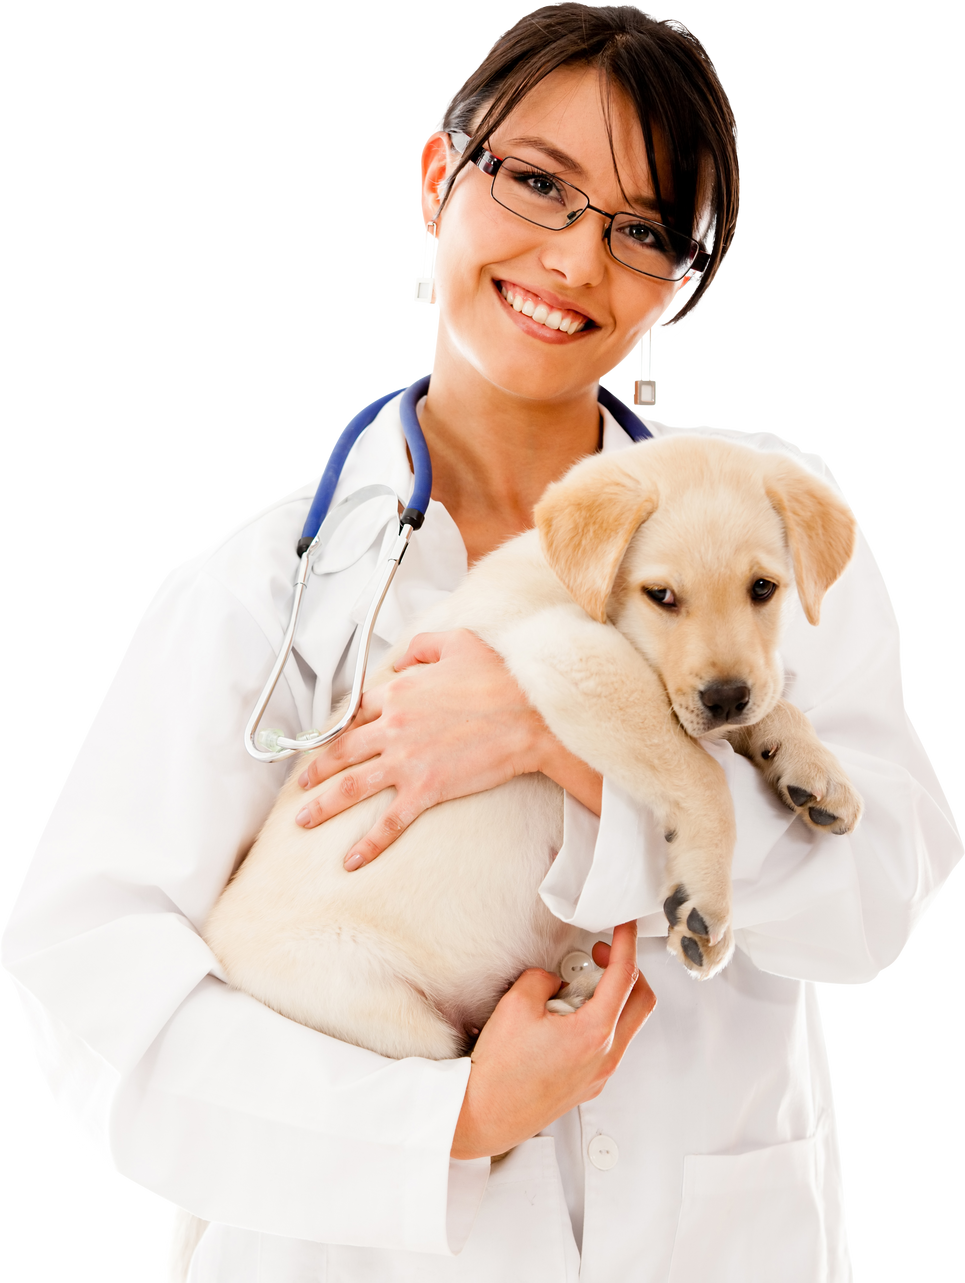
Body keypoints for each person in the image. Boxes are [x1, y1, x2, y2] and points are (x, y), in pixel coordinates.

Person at [2, 4, 961, 1280]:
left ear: (685, 283)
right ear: (436, 177)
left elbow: (878, 893)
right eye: (536, 181)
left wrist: (553, 740)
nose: (574, 258)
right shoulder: (247, 591)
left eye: (642, 228)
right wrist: (446, 1123)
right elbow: (89, 987)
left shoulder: (765, 519)